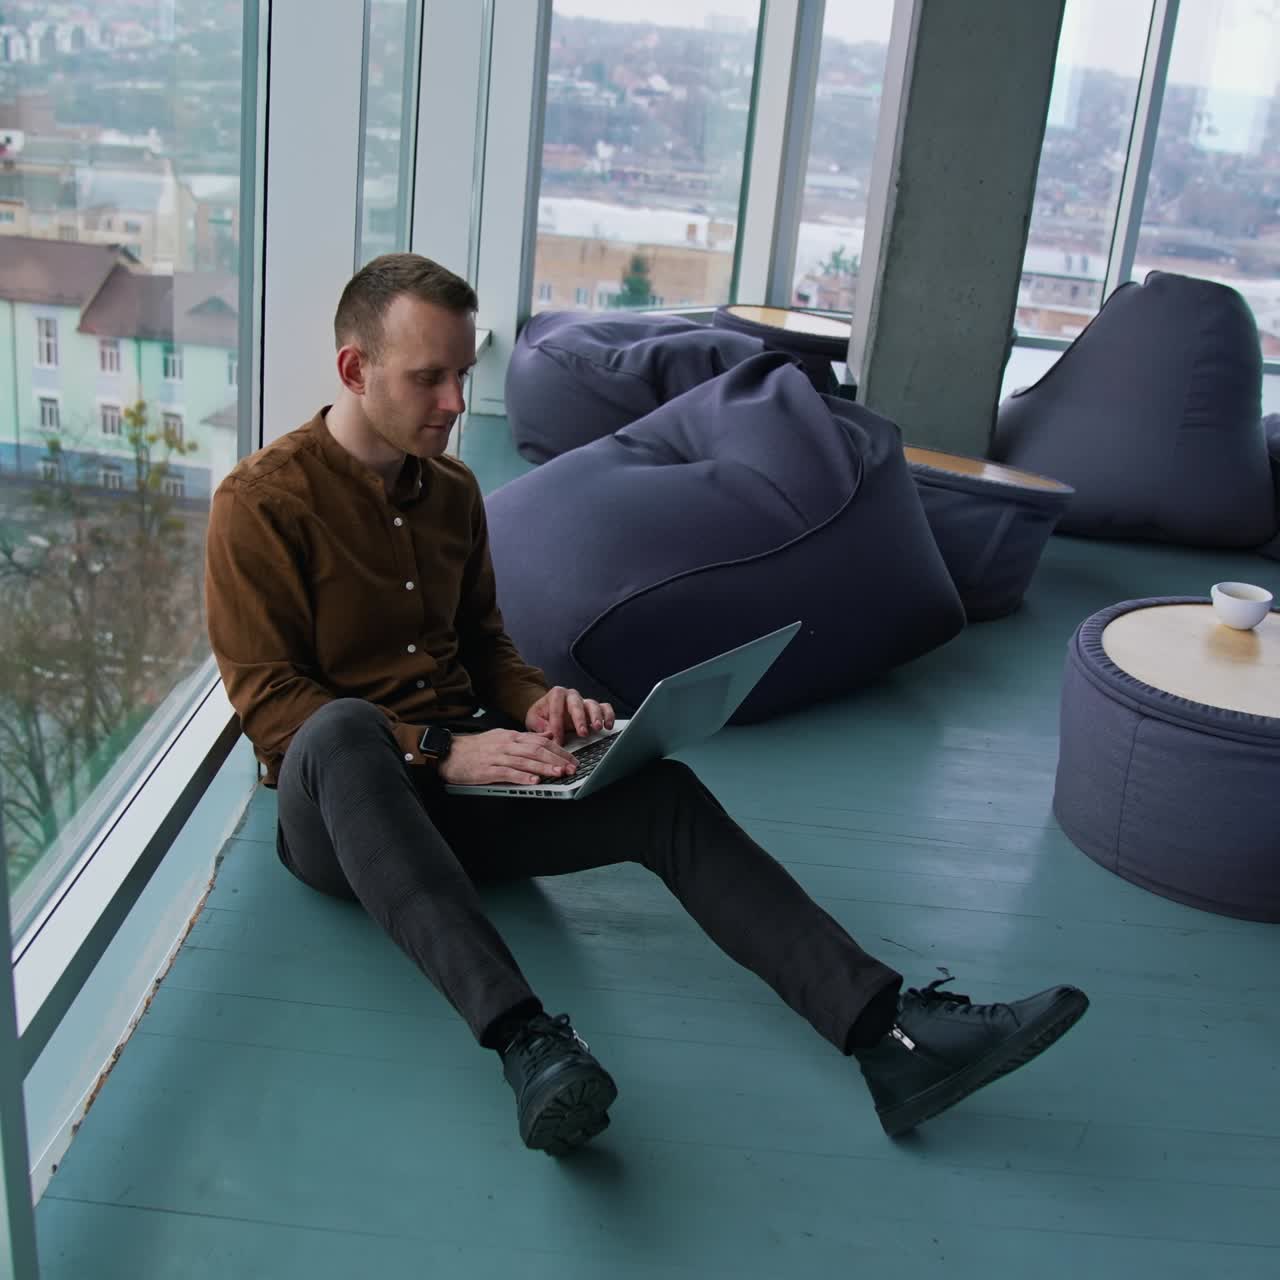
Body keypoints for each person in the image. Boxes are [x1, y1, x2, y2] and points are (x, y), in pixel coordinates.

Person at [204, 253, 1088, 1157]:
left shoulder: (456, 495)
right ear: (355, 370)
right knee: (343, 726)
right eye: (427, 378)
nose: (457, 402)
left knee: (661, 795)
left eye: (463, 374)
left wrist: (540, 703)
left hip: (469, 789)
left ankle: (888, 1034)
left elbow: (483, 646)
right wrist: (440, 748)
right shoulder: (259, 504)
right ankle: (529, 1045)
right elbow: (272, 705)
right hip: (344, 815)